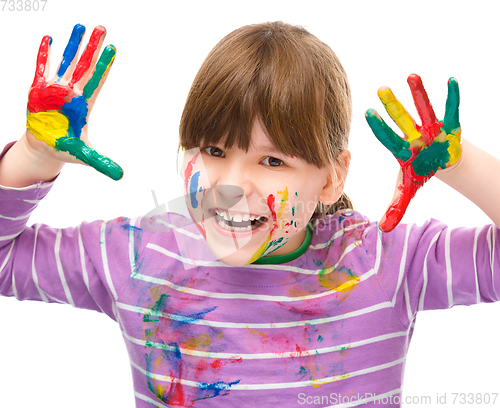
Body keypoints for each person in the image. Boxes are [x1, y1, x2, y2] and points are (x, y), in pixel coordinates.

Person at [0, 21, 499, 408]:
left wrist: (461, 166)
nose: (230, 185)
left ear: (331, 178)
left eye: (272, 160)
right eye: (214, 150)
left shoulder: (382, 263)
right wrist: (33, 157)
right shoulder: (138, 256)